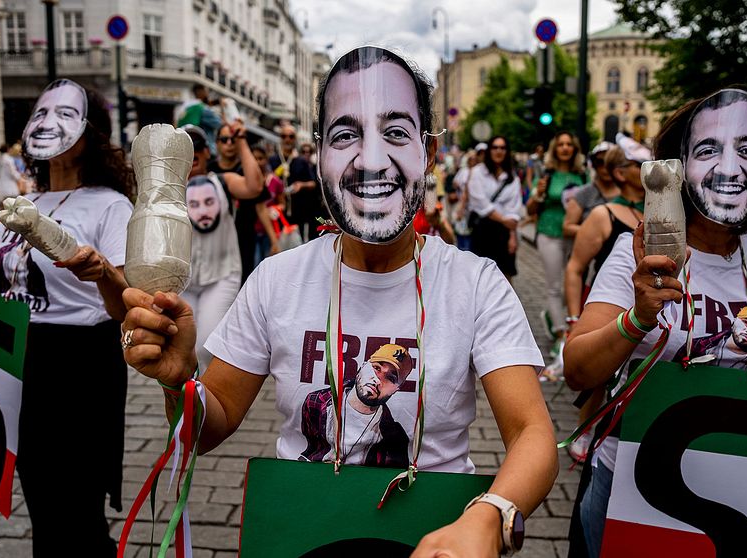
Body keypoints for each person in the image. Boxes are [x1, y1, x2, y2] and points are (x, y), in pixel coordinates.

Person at [121, 46, 557, 557]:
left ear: (430, 154)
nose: (371, 160)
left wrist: (490, 515)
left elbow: (533, 432)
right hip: (302, 530)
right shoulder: (276, 279)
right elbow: (208, 428)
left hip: (437, 538)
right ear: (321, 153)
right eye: (346, 135)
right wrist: (179, 383)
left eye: (396, 132)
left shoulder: (475, 282)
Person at [563, 88, 747, 558]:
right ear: (679, 165)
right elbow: (578, 370)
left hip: (743, 487)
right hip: (632, 487)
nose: (730, 167)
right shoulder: (638, 254)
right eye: (709, 149)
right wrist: (638, 317)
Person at [0, 79, 134, 556]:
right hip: (18, 360)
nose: (49, 123)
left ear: (91, 131)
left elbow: (122, 306)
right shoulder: (25, 206)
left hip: (79, 368)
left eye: (65, 114)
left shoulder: (111, 205)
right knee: (42, 501)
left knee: (75, 505)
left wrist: (101, 273)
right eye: (41, 112)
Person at [560, 141, 649, 461]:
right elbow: (575, 268)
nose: (647, 169)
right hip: (606, 300)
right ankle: (584, 428)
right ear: (620, 172)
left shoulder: (657, 213)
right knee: (600, 372)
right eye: (639, 164)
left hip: (646, 302)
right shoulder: (604, 213)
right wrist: (573, 317)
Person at [180, 124, 262, 366]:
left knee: (207, 343)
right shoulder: (171, 189)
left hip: (222, 275)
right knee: (185, 346)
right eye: (185, 147)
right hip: (184, 280)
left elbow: (254, 186)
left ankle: (213, 397)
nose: (192, 152)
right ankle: (189, 399)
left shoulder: (222, 182)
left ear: (207, 152)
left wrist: (242, 142)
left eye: (197, 146)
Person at [300, 344, 414, 466]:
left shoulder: (394, 438)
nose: (377, 380)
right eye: (376, 368)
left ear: (396, 389)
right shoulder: (316, 402)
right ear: (363, 366)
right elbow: (311, 448)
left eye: (390, 378)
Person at [527, 131, 588, 341]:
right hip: (549, 233)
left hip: (576, 235)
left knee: (573, 283)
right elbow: (530, 209)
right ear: (555, 149)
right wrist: (538, 193)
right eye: (560, 144)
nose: (564, 148)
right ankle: (562, 335)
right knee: (554, 286)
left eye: (568, 144)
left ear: (574, 149)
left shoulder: (582, 176)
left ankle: (552, 316)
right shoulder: (546, 175)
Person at [207, 123, 267, 282]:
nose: (229, 143)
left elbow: (260, 204)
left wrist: (274, 241)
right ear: (217, 143)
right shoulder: (209, 170)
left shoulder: (247, 169)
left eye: (233, 140)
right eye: (224, 139)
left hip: (244, 239)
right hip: (214, 243)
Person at [467, 135, 523, 282]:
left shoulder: (512, 178)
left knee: (505, 275)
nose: (499, 151)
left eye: (503, 148)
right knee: (480, 276)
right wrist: (504, 219)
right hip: (483, 228)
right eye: (495, 147)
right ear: (489, 150)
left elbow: (514, 208)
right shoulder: (478, 172)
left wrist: (512, 235)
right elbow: (480, 203)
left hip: (504, 231)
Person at [270, 124, 319, 241]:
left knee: (297, 244)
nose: (287, 139)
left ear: (295, 139)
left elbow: (313, 183)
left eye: (291, 136)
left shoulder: (301, 161)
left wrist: (301, 185)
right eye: (284, 136)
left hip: (298, 210)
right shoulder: (273, 160)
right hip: (278, 211)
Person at [561, 142, 618, 239]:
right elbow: (567, 228)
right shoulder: (583, 193)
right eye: (600, 162)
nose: (605, 167)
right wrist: (599, 232)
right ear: (593, 164)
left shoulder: (628, 192)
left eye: (610, 163)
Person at [250, 145, 283, 264]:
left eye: (260, 158)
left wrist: (274, 210)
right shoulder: (245, 182)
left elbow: (282, 204)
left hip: (269, 232)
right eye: (254, 159)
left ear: (266, 160)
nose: (257, 162)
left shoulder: (275, 181)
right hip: (251, 231)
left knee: (268, 264)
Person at [176, 83, 223, 152]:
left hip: (185, 148)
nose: (207, 94)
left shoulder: (185, 108)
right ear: (201, 92)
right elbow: (220, 124)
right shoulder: (203, 109)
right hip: (204, 148)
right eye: (206, 91)